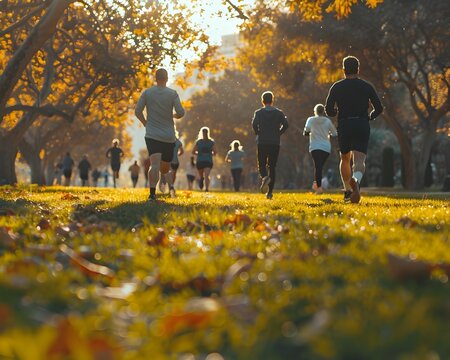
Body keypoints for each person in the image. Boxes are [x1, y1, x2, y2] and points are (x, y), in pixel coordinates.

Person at [325, 56, 383, 203]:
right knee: (359, 160)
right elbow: (379, 108)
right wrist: (370, 116)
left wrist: (335, 112)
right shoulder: (367, 86)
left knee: (345, 158)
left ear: (343, 70)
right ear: (358, 69)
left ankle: (347, 191)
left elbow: (328, 109)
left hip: (345, 124)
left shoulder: (337, 87)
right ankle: (356, 179)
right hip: (361, 124)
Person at [135, 68, 185, 201]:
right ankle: (155, 192)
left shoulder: (147, 93)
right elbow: (181, 113)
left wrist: (145, 123)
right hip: (168, 136)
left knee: (156, 165)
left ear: (155, 78)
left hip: (152, 134)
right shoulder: (172, 94)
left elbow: (137, 111)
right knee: (164, 168)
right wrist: (172, 115)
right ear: (167, 78)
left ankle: (153, 193)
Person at [252, 91, 289, 199]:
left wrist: (258, 132)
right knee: (272, 167)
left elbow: (254, 124)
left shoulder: (258, 112)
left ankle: (264, 177)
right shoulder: (279, 112)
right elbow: (286, 124)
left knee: (261, 164)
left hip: (262, 141)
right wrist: (279, 133)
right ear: (272, 100)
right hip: (275, 142)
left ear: (262, 100)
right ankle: (270, 192)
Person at [303, 104, 337, 194]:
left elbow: (307, 130)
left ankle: (318, 187)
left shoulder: (311, 119)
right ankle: (317, 184)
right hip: (326, 147)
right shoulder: (327, 121)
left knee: (318, 167)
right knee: (319, 166)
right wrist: (328, 132)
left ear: (315, 111)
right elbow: (334, 133)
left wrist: (308, 132)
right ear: (323, 111)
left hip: (315, 146)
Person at [192, 127, 216, 192]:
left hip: (207, 161)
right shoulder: (198, 142)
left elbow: (215, 152)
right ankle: (201, 180)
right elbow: (193, 151)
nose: (205, 134)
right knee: (202, 175)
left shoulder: (211, 142)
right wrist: (209, 154)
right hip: (200, 161)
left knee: (206, 175)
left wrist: (201, 153)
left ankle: (206, 188)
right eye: (204, 132)